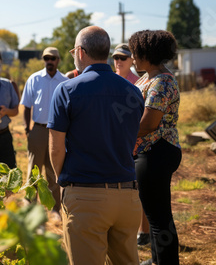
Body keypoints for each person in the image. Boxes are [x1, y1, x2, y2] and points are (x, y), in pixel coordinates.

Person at [48, 26, 144, 265]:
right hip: (127, 196)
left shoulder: (67, 90)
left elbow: (56, 148)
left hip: (85, 195)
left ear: (80, 52)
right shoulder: (133, 91)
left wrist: (65, 183)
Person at [128, 30, 182, 265]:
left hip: (156, 151)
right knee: (156, 215)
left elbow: (149, 123)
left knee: (159, 218)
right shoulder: (148, 78)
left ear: (147, 53)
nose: (132, 57)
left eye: (135, 52)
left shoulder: (162, 81)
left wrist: (121, 137)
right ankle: (156, 260)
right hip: (151, 151)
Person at [20, 47, 68, 216]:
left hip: (57, 132)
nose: (49, 61)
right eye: (46, 58)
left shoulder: (64, 81)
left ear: (58, 60)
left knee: (53, 171)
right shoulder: (34, 79)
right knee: (34, 170)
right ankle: (31, 207)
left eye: (53, 58)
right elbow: (26, 106)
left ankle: (55, 210)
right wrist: (27, 129)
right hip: (38, 130)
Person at [113, 43, 149, 245]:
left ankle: (143, 232)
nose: (118, 61)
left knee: (139, 189)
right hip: (114, 141)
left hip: (134, 142)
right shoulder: (110, 79)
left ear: (131, 60)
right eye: (115, 57)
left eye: (123, 57)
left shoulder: (139, 83)